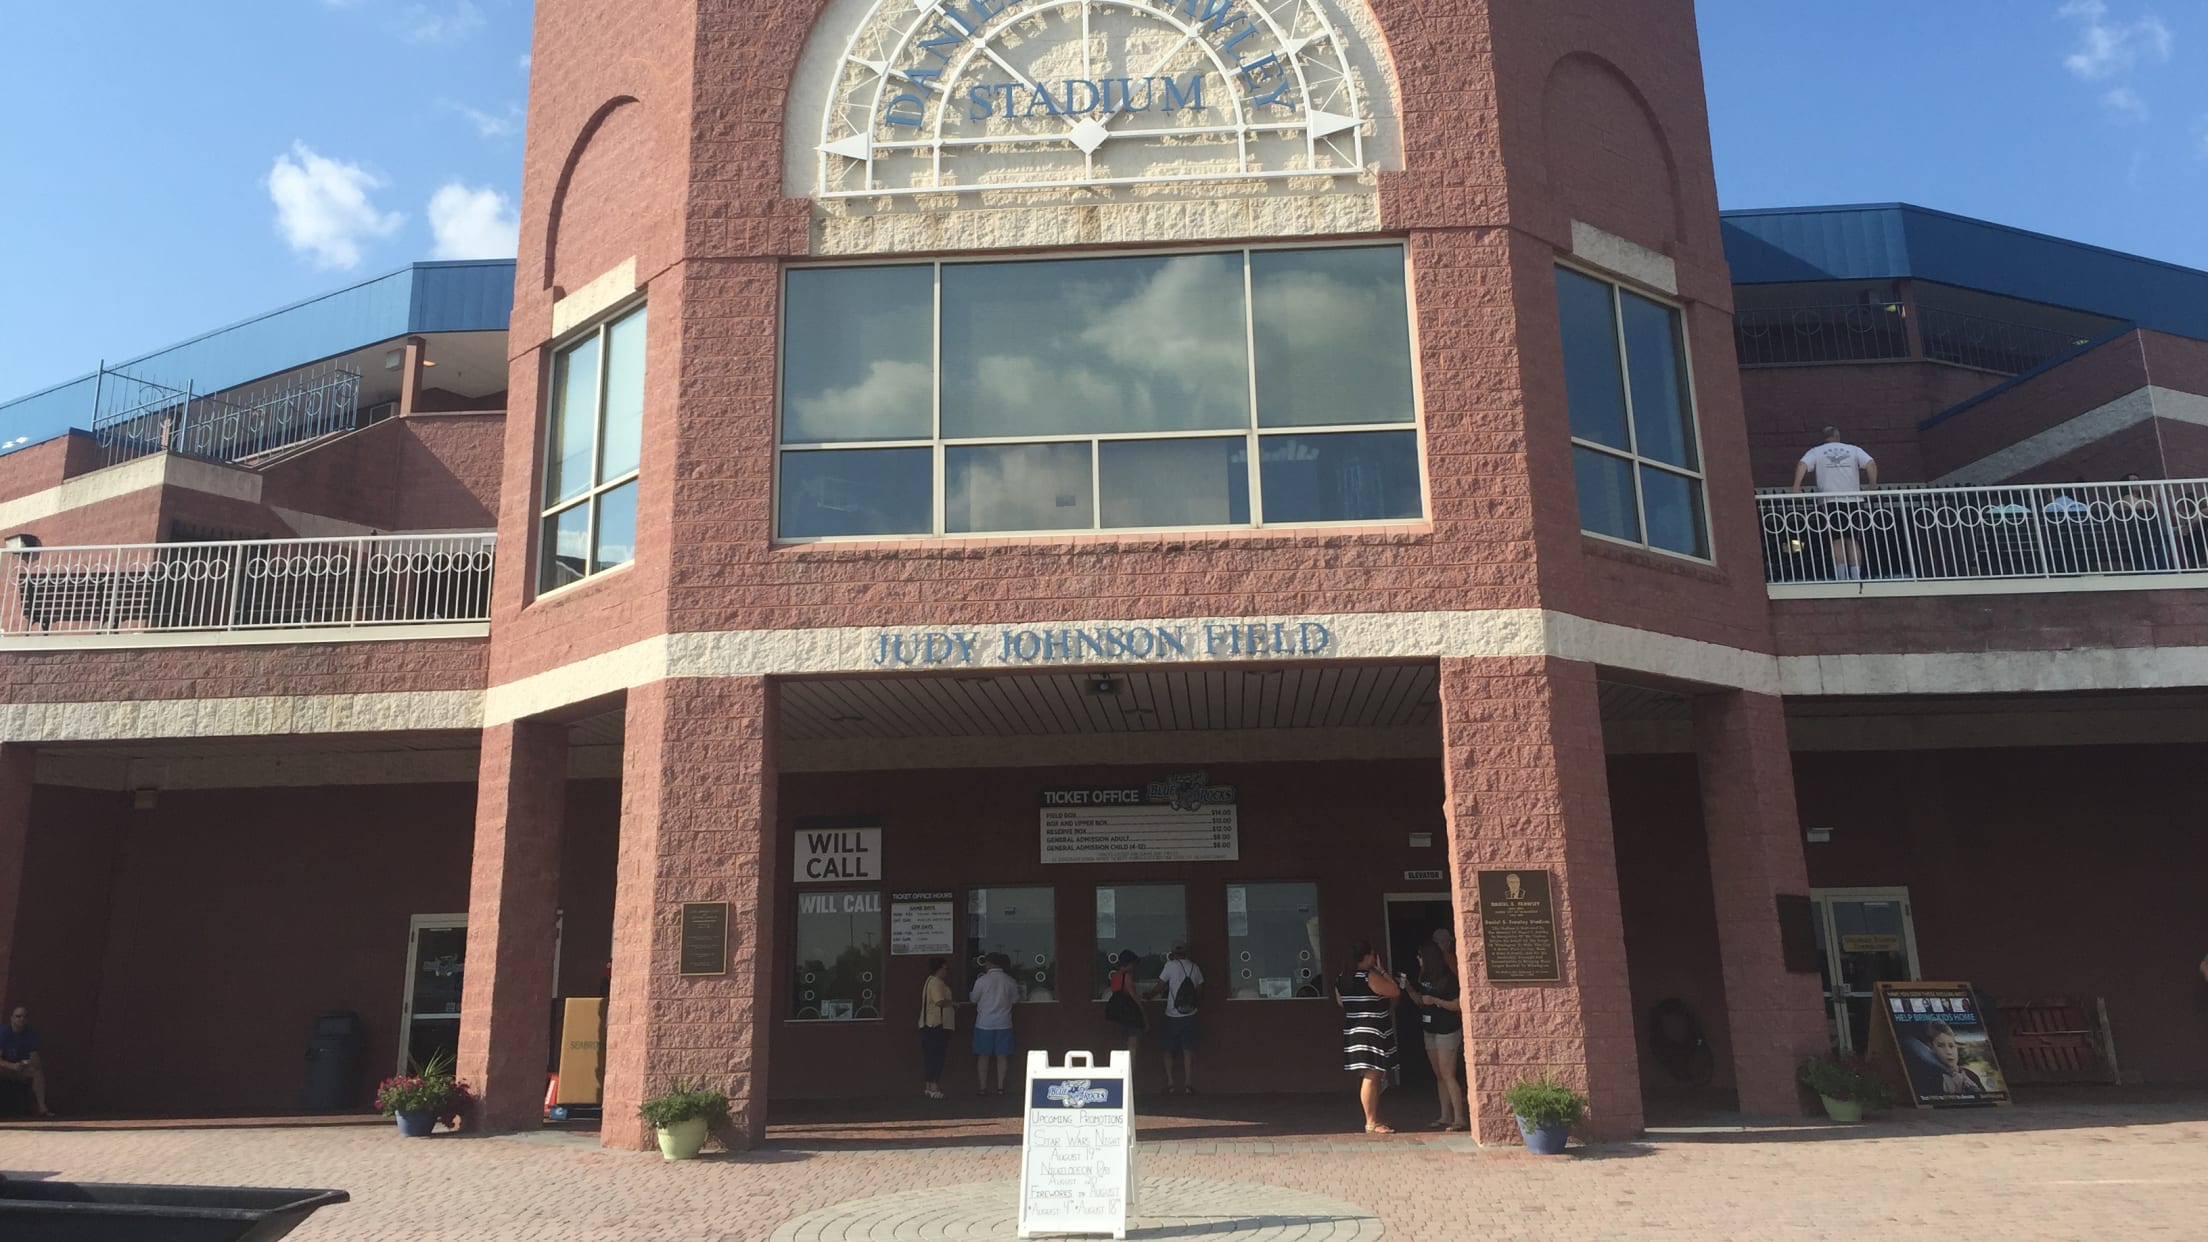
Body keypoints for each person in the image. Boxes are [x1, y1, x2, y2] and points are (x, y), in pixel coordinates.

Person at [1791, 426, 1878, 580]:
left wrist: (1796, 488)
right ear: (1837, 436)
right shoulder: (1853, 450)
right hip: (1853, 501)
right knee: (1852, 540)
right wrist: (1872, 487)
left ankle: (1842, 578)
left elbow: (1802, 465)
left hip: (1829, 502)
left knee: (1836, 540)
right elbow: (1871, 464)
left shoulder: (1816, 452)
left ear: (1824, 438)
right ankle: (1856, 578)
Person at [1336, 940, 1399, 1134]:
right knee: (1373, 1075)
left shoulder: (1342, 978)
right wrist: (1383, 972)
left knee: (1369, 1075)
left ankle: (1372, 1117)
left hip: (1354, 1030)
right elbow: (1394, 991)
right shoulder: (1369, 976)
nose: (1374, 958)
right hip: (1372, 1030)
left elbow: (1341, 1003)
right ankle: (1371, 1121)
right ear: (1365, 957)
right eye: (1372, 954)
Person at [1409, 929, 1467, 1131]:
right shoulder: (1424, 977)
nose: (1418, 959)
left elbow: (1459, 1004)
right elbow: (1420, 1000)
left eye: (1420, 956)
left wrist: (1436, 1001)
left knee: (1448, 1073)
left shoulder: (1448, 978)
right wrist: (1407, 987)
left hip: (1446, 1029)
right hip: (1430, 1029)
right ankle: (1445, 1115)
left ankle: (1459, 1118)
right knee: (1439, 1075)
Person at [1151, 944, 1204, 1094]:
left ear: (1173, 954)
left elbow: (1160, 986)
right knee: (1188, 1050)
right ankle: (1188, 1083)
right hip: (1191, 1014)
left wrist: (1149, 995)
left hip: (1172, 1015)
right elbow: (1199, 990)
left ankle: (1170, 1083)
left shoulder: (1170, 966)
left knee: (1168, 1050)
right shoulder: (1195, 967)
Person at [970, 952, 1020, 1097]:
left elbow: (974, 999)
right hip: (1004, 1023)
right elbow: (1015, 999)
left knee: (983, 1056)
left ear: (990, 964)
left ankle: (982, 1087)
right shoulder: (1010, 981)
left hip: (984, 1023)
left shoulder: (982, 981)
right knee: (1002, 1057)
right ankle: (1000, 1087)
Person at [0, 1004, 52, 1117]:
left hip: (19, 1068)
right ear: (12, 1018)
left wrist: (26, 1063)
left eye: (24, 1016)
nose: (21, 1019)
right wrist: (11, 1066)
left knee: (37, 1073)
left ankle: (42, 1107)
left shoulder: (30, 1035)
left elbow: (35, 1061)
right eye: (18, 1016)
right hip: (4, 1066)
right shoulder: (3, 1032)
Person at [918, 957, 956, 1100]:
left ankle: (929, 1086)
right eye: (945, 969)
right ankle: (934, 1085)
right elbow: (939, 1001)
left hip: (929, 1024)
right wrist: (953, 1003)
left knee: (930, 1056)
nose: (946, 972)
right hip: (936, 1024)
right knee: (937, 1056)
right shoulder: (936, 983)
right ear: (939, 968)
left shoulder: (929, 981)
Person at [1105, 949, 1145, 1060]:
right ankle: (1130, 1075)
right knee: (1132, 1050)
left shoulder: (1115, 977)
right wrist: (1144, 1017)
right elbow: (1135, 997)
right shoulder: (1127, 977)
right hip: (1131, 1016)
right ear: (1130, 963)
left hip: (1118, 1015)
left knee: (1122, 1048)